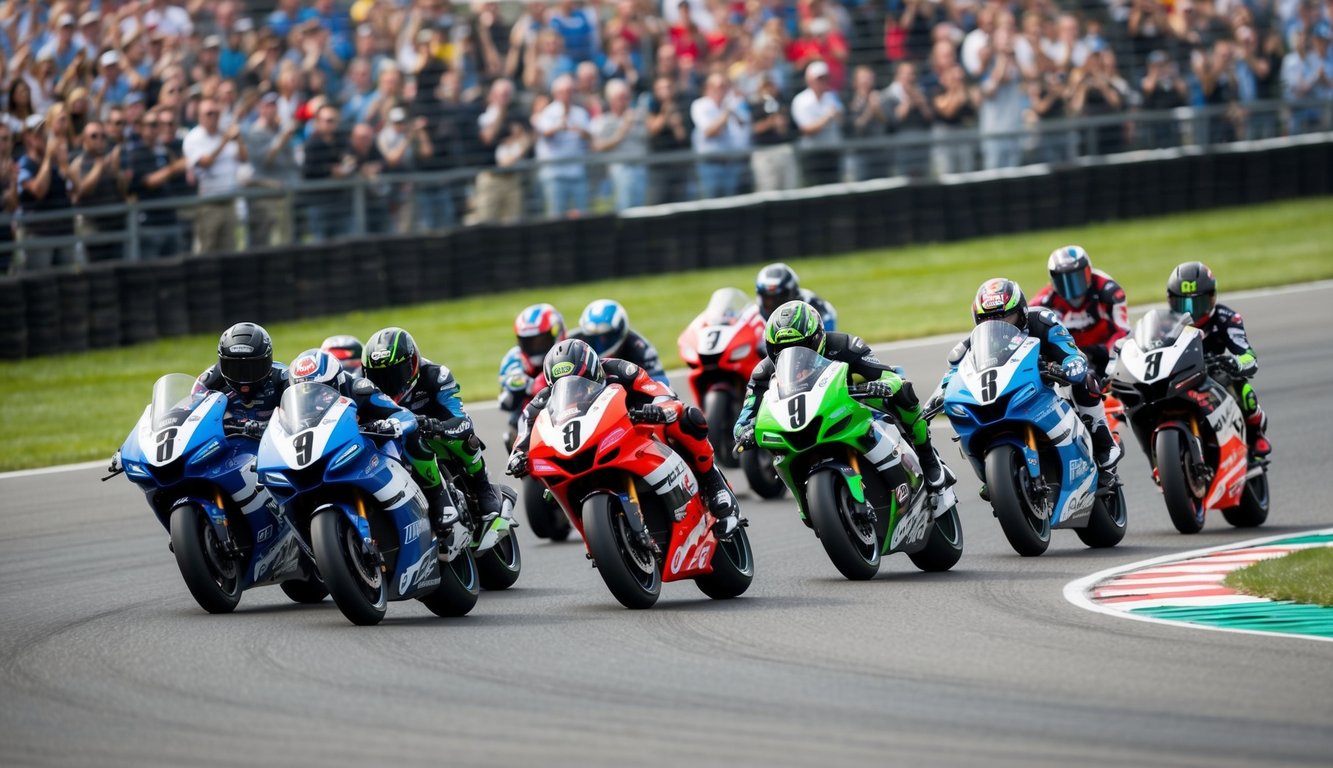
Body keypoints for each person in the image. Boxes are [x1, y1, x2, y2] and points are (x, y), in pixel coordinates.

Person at [506, 339, 742, 540]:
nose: (575, 390)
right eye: (566, 386)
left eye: (580, 382)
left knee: (688, 418)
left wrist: (660, 409)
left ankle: (714, 483)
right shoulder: (544, 398)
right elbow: (526, 424)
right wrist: (518, 452)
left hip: (638, 430)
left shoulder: (622, 370)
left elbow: (661, 392)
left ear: (594, 370)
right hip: (589, 444)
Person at [733, 300, 955, 497]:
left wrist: (882, 385)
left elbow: (888, 375)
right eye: (781, 349)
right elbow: (746, 415)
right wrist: (745, 431)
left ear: (817, 337)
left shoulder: (846, 345)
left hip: (849, 406)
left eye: (800, 345)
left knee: (904, 392)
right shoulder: (762, 372)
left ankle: (927, 457)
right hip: (800, 422)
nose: (793, 354)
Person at [940, 278, 1122, 495]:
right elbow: (953, 373)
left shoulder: (1042, 320)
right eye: (988, 319)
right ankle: (993, 475)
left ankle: (1104, 445)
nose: (1001, 324)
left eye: (1006, 316)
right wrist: (942, 392)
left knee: (1086, 379)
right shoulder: (974, 343)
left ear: (1022, 311)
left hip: (1048, 385)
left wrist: (1071, 363)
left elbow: (1069, 349)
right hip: (1007, 393)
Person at [287, 347, 467, 544]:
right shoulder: (294, 407)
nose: (314, 397)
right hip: (328, 454)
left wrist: (392, 424)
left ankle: (438, 496)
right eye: (306, 391)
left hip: (373, 446)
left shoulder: (359, 388)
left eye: (322, 390)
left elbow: (401, 414)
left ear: (337, 382)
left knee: (412, 436)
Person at [362, 327, 508, 527]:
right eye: (380, 376)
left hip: (436, 432)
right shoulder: (365, 390)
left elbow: (462, 420)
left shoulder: (436, 375)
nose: (389, 383)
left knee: (467, 439)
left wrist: (436, 425)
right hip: (394, 441)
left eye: (396, 374)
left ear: (412, 363)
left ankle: (482, 487)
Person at [1166, 261, 1271, 456]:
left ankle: (1256, 434)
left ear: (1212, 297)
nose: (1191, 311)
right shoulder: (1165, 323)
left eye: (1198, 303)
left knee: (1244, 389)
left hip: (1213, 375)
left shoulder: (1226, 317)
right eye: (1183, 303)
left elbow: (1248, 355)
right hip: (1178, 377)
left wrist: (1235, 363)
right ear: (1171, 301)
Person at [1031, 245, 1130, 379]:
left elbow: (1122, 332)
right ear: (1052, 281)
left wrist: (1112, 366)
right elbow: (1031, 334)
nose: (1070, 288)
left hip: (1105, 352)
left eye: (1076, 278)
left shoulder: (1109, 292)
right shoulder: (1044, 302)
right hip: (1069, 357)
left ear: (1089, 271)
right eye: (1062, 281)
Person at [182, 98, 247, 253]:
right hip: (209, 205)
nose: (214, 117)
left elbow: (244, 158)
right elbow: (206, 162)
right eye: (209, 113)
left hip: (230, 202)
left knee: (230, 250)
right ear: (199, 116)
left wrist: (238, 140)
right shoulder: (193, 138)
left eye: (216, 113)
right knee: (208, 250)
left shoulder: (225, 133)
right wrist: (224, 141)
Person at [195, 322, 288, 428]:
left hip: (273, 440)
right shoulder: (209, 381)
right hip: (229, 442)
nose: (243, 377)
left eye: (252, 368)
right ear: (222, 364)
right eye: (235, 369)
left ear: (268, 362)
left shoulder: (283, 377)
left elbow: (303, 412)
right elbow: (193, 414)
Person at [497, 303, 567, 439]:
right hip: (532, 424)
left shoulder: (571, 348)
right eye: (529, 342)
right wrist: (532, 385)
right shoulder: (514, 358)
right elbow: (506, 400)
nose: (535, 346)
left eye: (541, 340)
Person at [573, 299, 669, 386]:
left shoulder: (641, 348)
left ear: (619, 332)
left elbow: (660, 384)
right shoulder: (574, 344)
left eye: (605, 338)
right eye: (592, 338)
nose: (599, 345)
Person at [754, 262, 837, 330]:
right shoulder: (756, 313)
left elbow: (827, 333)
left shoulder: (816, 307)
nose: (771, 304)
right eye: (767, 299)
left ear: (792, 293)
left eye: (777, 299)